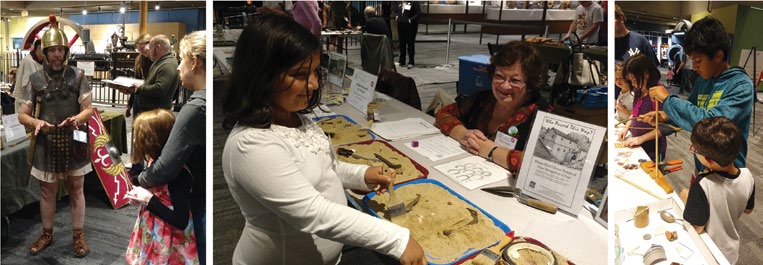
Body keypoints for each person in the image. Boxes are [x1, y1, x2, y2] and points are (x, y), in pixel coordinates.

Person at [221, 14, 426, 265]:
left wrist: (362, 175)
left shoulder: (295, 119)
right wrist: (396, 239)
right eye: (299, 74)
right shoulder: (250, 145)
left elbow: (325, 170)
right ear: (261, 74)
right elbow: (313, 213)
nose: (314, 84)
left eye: (315, 72)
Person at [17, 16, 93, 257]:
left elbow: (89, 109)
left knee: (76, 188)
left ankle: (78, 234)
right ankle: (47, 233)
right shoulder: (35, 79)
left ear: (66, 51)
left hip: (74, 140)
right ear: (46, 53)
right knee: (47, 191)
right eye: (52, 50)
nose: (57, 54)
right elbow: (22, 115)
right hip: (46, 141)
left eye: (60, 50)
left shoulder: (79, 76)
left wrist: (78, 119)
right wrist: (36, 121)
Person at [645, 16, 754, 173]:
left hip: (727, 173)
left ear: (718, 55)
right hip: (703, 164)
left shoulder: (740, 85)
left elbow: (710, 126)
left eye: (698, 60)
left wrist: (668, 100)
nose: (694, 67)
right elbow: (691, 112)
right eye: (691, 60)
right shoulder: (704, 80)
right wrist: (666, 116)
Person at [136, 30, 207, 265]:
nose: (178, 68)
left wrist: (142, 182)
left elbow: (167, 166)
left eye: (182, 61)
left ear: (194, 62)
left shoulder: (195, 107)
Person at [434, 41, 552, 173]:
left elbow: (544, 165)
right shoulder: (483, 99)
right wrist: (465, 134)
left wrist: (491, 151)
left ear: (531, 84)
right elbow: (443, 113)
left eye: (515, 80)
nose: (505, 86)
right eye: (499, 76)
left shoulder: (544, 117)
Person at [123, 109, 198, 264]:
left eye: (140, 137)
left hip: (170, 241)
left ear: (152, 140)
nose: (137, 142)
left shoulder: (177, 174)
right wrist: (139, 198)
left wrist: (149, 200)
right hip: (152, 231)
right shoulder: (154, 163)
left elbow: (181, 220)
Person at [681, 116, 754, 264]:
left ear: (708, 160)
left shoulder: (703, 183)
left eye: (694, 150)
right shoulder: (748, 175)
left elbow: (698, 227)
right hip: (732, 251)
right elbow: (748, 210)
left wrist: (687, 198)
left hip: (708, 251)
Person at [617, 54, 673, 162]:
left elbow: (665, 127)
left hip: (653, 149)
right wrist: (626, 127)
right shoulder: (639, 90)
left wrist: (640, 139)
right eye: (631, 80)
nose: (633, 84)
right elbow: (635, 112)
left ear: (646, 74)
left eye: (634, 79)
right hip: (638, 144)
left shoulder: (658, 92)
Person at [125, 34, 153, 118]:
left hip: (151, 99)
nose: (141, 52)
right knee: (136, 127)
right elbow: (136, 81)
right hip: (139, 97)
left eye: (142, 48)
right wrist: (130, 104)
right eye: (139, 50)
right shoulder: (139, 60)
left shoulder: (158, 60)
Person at [13, 39, 44, 112]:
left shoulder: (41, 62)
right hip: (24, 103)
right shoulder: (28, 61)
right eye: (48, 50)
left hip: (31, 103)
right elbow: (29, 86)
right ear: (39, 48)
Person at [397, 1, 420, 68]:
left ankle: (411, 61)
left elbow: (418, 13)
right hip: (401, 25)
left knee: (410, 43)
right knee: (402, 43)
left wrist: (410, 20)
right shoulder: (400, 3)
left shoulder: (414, 2)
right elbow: (397, 11)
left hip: (410, 26)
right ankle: (402, 61)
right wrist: (397, 17)